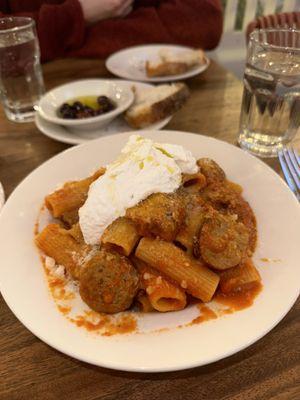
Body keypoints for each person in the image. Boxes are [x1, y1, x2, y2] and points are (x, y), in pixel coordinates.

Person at [0, 0, 223, 62]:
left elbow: (205, 21)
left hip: (149, 92)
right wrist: (78, 14)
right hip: (29, 100)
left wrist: (59, 40)